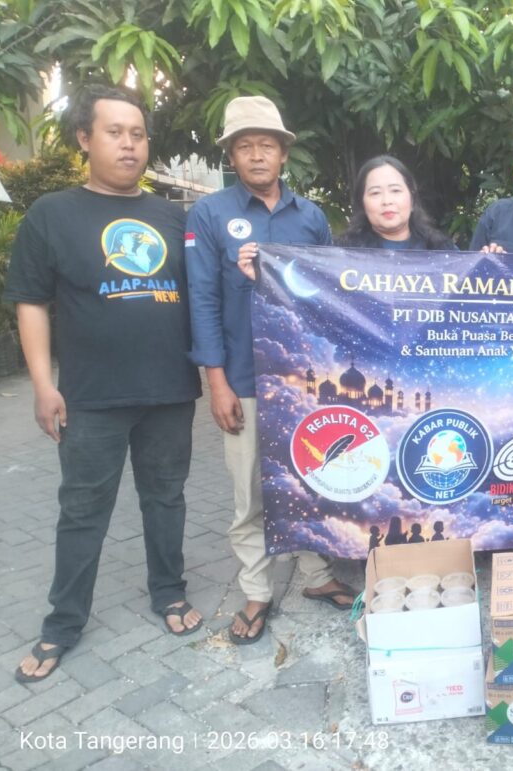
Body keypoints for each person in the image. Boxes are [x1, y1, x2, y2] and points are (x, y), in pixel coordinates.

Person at [4, 85, 203, 683]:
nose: (129, 144)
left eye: (137, 134)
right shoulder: (52, 214)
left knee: (166, 498)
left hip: (170, 390)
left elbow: (206, 293)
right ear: (84, 139)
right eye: (114, 132)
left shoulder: (173, 217)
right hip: (90, 398)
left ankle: (169, 591)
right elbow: (31, 302)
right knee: (83, 510)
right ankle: (63, 622)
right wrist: (43, 385)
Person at [186, 95, 356, 646]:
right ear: (231, 156)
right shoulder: (210, 215)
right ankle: (257, 589)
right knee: (250, 492)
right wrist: (216, 382)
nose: (257, 155)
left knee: (310, 480)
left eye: (266, 145)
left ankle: (315, 574)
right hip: (244, 376)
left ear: (284, 154)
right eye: (245, 146)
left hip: (305, 380)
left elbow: (331, 295)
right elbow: (202, 301)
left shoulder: (310, 217)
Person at [338, 155, 455, 250]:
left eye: (395, 190)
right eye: (375, 193)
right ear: (362, 203)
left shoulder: (440, 249)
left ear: (412, 198)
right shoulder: (344, 252)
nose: (387, 201)